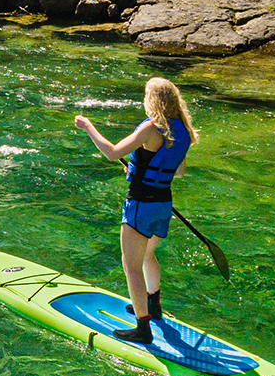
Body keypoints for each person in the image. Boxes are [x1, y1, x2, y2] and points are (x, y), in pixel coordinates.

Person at [73, 77, 196, 344]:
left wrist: (88, 127)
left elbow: (111, 152)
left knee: (131, 267)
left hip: (140, 204)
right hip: (163, 204)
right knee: (148, 255)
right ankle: (153, 306)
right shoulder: (182, 130)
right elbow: (179, 171)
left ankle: (143, 328)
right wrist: (142, 169)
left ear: (152, 99)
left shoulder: (151, 128)